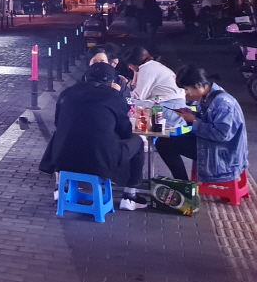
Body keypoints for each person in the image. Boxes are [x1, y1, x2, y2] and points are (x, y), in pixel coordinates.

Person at [39, 63, 148, 211]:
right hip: (99, 161)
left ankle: (61, 187)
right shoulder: (114, 97)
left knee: (64, 136)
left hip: (61, 159)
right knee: (138, 141)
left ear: (85, 77)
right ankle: (130, 196)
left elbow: (58, 122)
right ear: (112, 81)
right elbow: (125, 131)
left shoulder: (67, 93)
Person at [159, 65, 249, 182]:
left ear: (198, 85)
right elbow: (208, 120)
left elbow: (221, 135)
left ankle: (184, 184)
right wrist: (192, 114)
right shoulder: (208, 95)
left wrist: (193, 121)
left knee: (164, 144)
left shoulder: (223, 103)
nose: (186, 94)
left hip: (224, 154)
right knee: (165, 139)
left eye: (186, 89)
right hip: (213, 144)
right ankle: (183, 183)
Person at [121, 46, 186, 128]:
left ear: (132, 64)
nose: (129, 68)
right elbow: (137, 88)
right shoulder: (153, 65)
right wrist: (135, 73)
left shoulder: (146, 68)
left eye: (129, 65)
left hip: (170, 109)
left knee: (126, 102)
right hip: (175, 107)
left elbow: (138, 97)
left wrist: (121, 91)